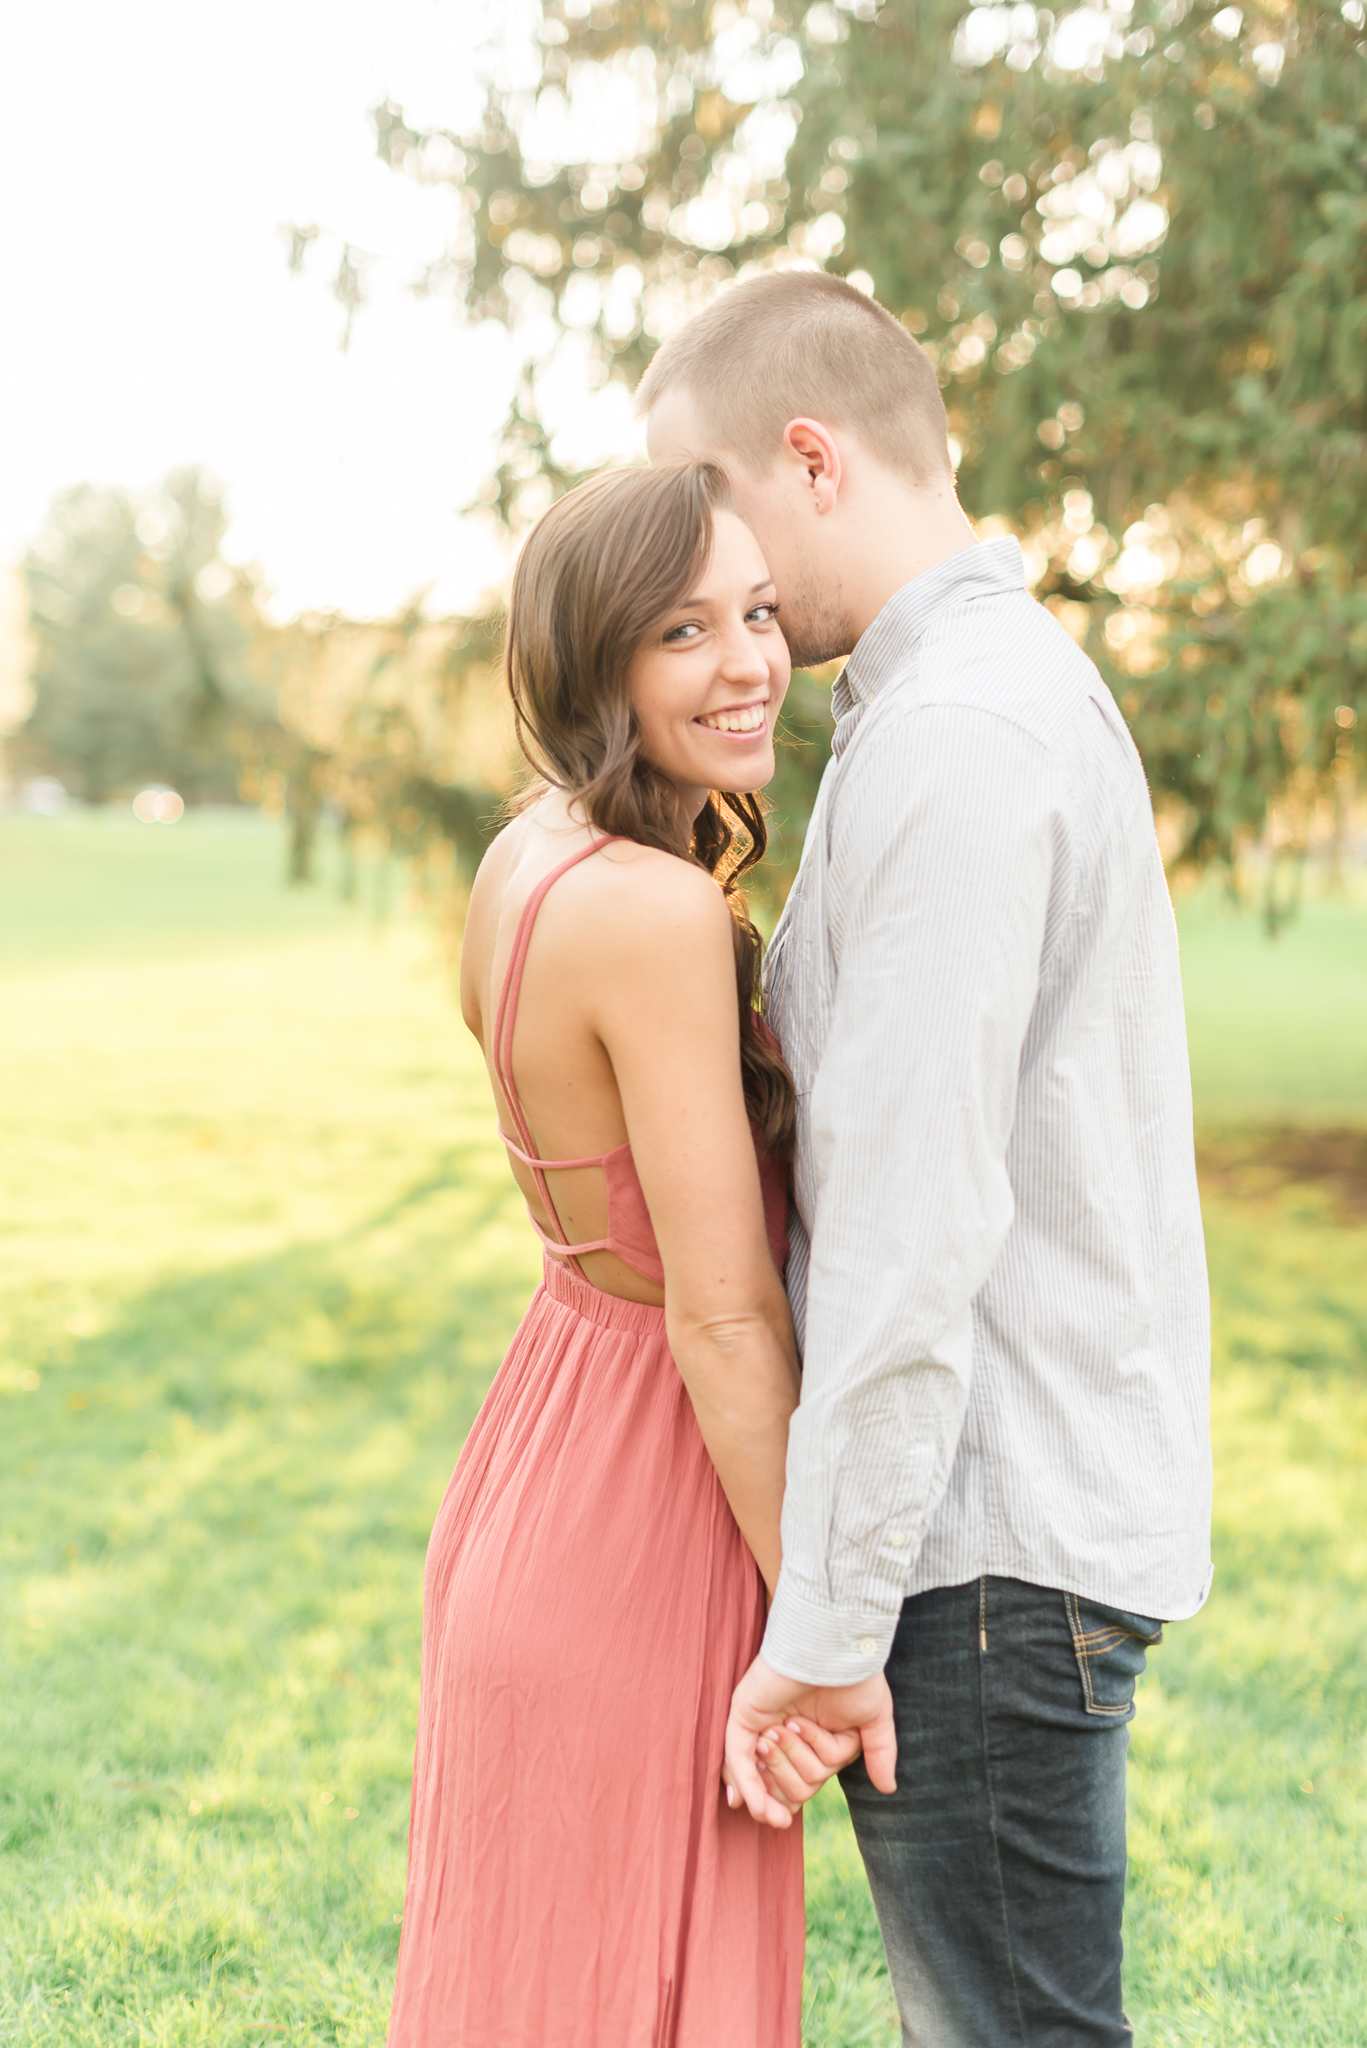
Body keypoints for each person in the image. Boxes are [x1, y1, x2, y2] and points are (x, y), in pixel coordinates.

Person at [641, 270, 1214, 2046]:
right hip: (994, 1557)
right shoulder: (966, 693)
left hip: (976, 1565)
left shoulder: (961, 734)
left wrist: (827, 1621)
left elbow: (907, 1233)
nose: (696, 584)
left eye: (707, 514)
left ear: (808, 459)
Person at [386, 460, 859, 2048]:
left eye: (760, 611)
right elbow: (721, 1320)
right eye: (684, 630)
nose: (750, 664)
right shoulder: (652, 912)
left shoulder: (524, 859)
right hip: (644, 1509)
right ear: (597, 665)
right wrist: (826, 1627)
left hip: (536, 1461)